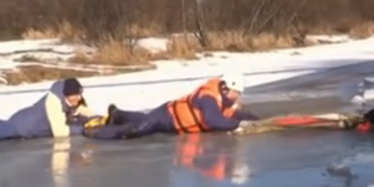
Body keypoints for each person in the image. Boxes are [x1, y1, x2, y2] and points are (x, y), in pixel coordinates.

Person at [85, 72, 260, 140]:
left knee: (145, 121)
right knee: (136, 130)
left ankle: (117, 114)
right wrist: (238, 125)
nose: (238, 97)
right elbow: (213, 120)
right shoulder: (208, 97)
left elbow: (237, 114)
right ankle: (95, 133)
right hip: (167, 115)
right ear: (225, 88)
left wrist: (257, 121)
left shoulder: (226, 100)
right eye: (236, 92)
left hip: (173, 124)